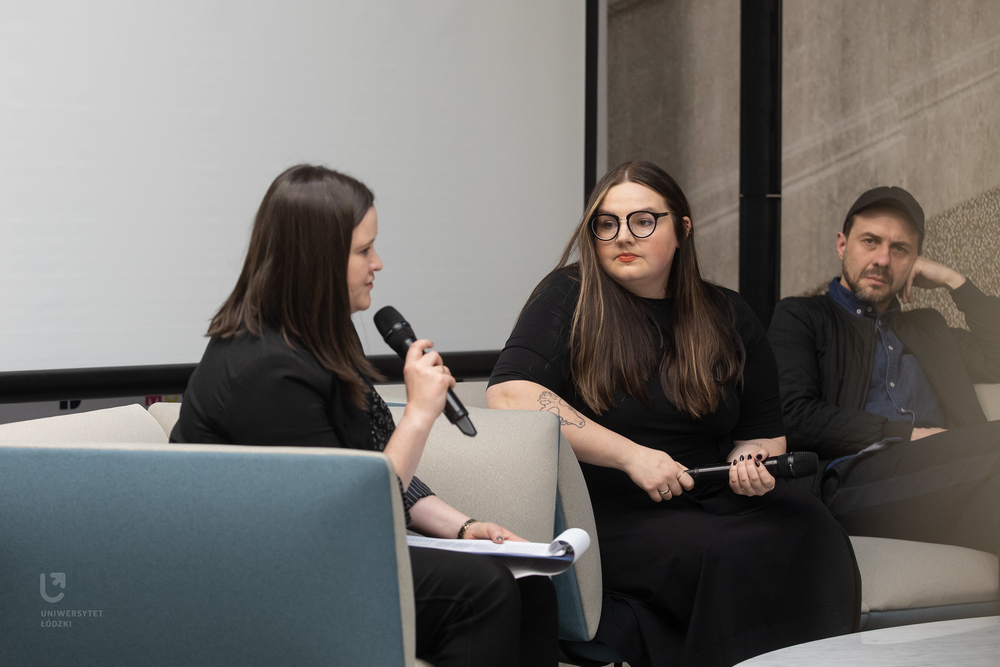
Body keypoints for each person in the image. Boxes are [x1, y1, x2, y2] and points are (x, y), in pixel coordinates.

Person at [171, 164, 558, 667]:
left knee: (531, 588)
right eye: (362, 251)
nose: (378, 262)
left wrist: (466, 528)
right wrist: (419, 413)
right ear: (316, 260)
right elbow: (345, 515)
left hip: (322, 552)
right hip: (264, 575)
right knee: (480, 593)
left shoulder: (327, 334)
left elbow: (370, 459)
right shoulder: (263, 368)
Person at [487, 161, 859, 667]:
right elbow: (512, 394)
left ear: (682, 228)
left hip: (710, 492)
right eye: (606, 223)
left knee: (812, 526)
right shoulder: (567, 296)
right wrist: (631, 456)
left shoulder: (726, 312)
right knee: (715, 553)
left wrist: (750, 469)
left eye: (643, 221)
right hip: (613, 509)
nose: (623, 236)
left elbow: (762, 434)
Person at [768, 186, 1000, 557]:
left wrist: (954, 282)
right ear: (842, 244)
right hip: (851, 483)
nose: (883, 259)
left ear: (915, 261)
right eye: (870, 242)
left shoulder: (929, 329)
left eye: (900, 249)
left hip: (951, 476)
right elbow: (793, 416)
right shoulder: (802, 316)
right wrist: (905, 434)